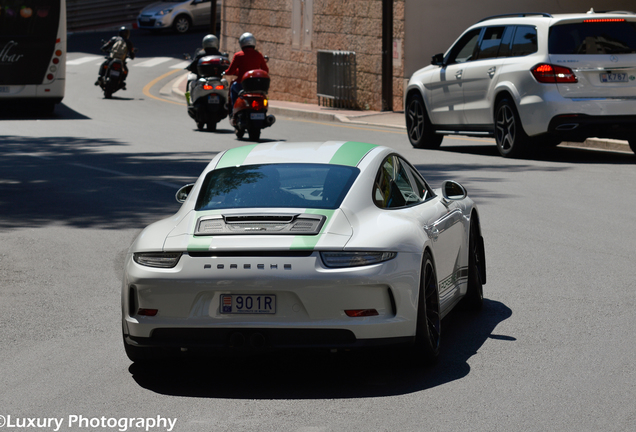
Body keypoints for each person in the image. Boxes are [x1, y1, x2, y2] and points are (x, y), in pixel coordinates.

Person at [224, 32, 269, 114]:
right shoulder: (259, 55)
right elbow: (265, 70)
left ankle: (233, 111)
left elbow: (231, 71)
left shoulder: (238, 55)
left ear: (241, 43)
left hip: (242, 85)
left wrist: (225, 72)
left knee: (233, 88)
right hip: (256, 86)